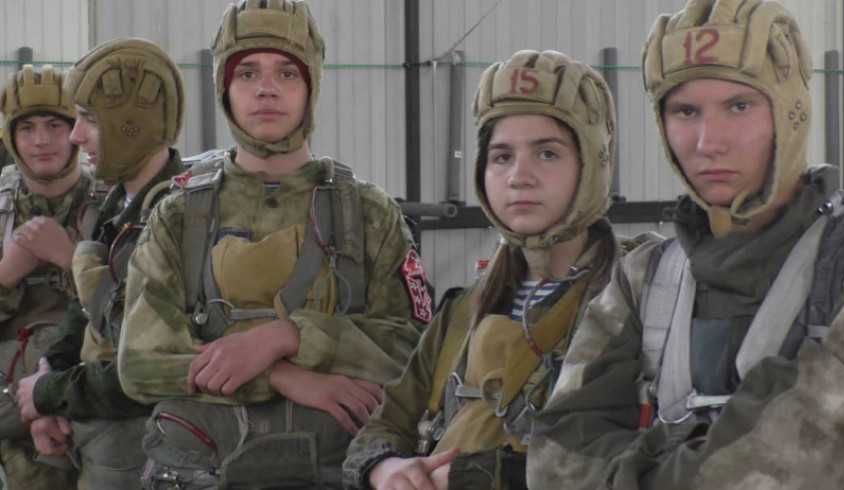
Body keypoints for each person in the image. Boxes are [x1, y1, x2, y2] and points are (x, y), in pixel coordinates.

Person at [528, 0, 844, 488]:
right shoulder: (644, 279)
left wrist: (640, 463)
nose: (708, 141)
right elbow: (553, 461)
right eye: (685, 111)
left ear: (791, 113)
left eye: (739, 106)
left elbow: (816, 445)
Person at [118, 1, 431, 488]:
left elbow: (414, 350)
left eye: (287, 72)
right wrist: (283, 376)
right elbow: (140, 363)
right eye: (247, 73)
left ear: (311, 87)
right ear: (224, 88)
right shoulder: (178, 216)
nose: (266, 88)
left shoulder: (368, 214)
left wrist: (289, 337)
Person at [343, 49, 619, 490]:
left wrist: (473, 477)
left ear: (592, 165)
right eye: (502, 156)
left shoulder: (632, 297)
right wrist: (386, 469)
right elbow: (384, 426)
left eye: (547, 154)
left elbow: (631, 458)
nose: (519, 176)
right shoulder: (463, 312)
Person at [13, 38, 186, 488]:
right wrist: (50, 373)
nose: (75, 136)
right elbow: (89, 311)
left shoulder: (178, 216)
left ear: (132, 124)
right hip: (92, 431)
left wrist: (50, 393)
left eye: (89, 120)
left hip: (136, 444)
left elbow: (154, 368)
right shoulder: (120, 203)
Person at [0, 64, 88, 489]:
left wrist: (74, 261)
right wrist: (6, 275)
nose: (41, 140)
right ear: (10, 137)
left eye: (55, 125)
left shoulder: (111, 204)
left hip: (84, 387)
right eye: (27, 127)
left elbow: (136, 316)